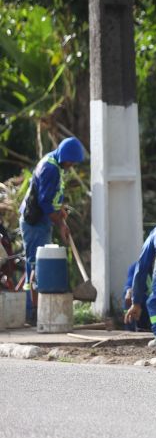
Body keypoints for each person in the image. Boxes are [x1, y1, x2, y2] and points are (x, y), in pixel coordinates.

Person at [19, 136, 85, 322]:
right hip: (34, 223)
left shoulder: (54, 162)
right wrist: (60, 223)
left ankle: (34, 311)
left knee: (36, 265)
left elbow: (52, 199)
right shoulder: (50, 169)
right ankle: (32, 313)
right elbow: (45, 202)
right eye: (71, 161)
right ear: (65, 156)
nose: (71, 165)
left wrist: (60, 215)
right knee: (35, 266)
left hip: (40, 221)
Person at [122, 261, 156, 332]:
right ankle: (131, 329)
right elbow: (129, 283)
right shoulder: (136, 267)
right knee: (128, 294)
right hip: (143, 309)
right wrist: (129, 290)